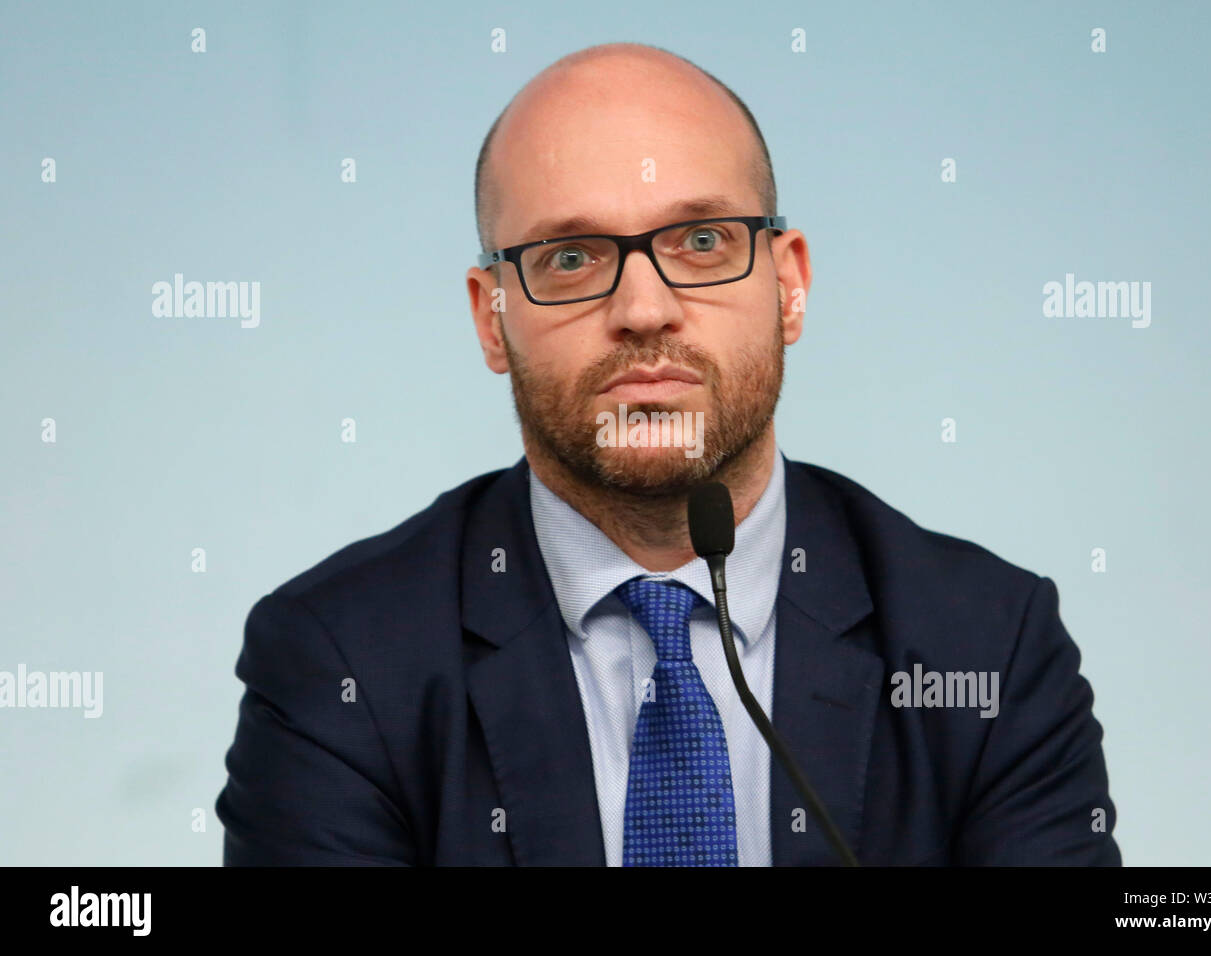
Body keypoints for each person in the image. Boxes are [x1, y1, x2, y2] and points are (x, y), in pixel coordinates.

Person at [215, 41, 1120, 866]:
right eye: (571, 256)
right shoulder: (340, 661)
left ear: (789, 284)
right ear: (491, 316)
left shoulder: (986, 647)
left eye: (701, 242)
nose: (644, 309)